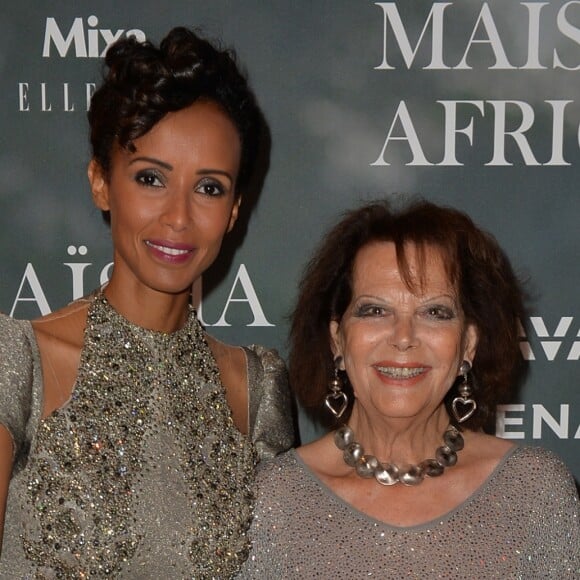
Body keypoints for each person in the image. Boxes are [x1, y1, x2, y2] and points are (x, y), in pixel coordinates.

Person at [0, 27, 294, 578]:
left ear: (233, 213)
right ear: (101, 183)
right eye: (151, 178)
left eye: (209, 187)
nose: (179, 217)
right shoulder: (17, 360)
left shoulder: (258, 388)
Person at [237, 199, 579, 578]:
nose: (404, 337)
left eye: (434, 313)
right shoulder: (273, 502)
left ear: (468, 344)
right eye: (375, 311)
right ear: (337, 341)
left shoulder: (532, 493)